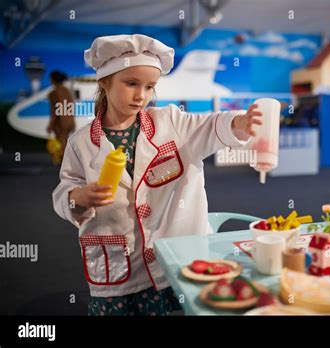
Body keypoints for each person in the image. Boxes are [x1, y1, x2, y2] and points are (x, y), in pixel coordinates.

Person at [52, 34, 262, 316]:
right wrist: (78, 196)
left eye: (150, 86)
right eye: (131, 84)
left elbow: (212, 126)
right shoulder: (80, 142)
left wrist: (238, 122)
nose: (141, 95)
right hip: (116, 265)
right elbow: (65, 189)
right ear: (104, 81)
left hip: (173, 258)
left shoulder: (171, 122)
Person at [47, 70, 76, 155]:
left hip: (61, 121)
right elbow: (71, 106)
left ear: (53, 80)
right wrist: (73, 122)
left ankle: (65, 164)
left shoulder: (53, 93)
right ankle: (70, 162)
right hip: (70, 120)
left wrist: (51, 125)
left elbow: (54, 111)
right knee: (67, 141)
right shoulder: (67, 91)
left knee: (62, 142)